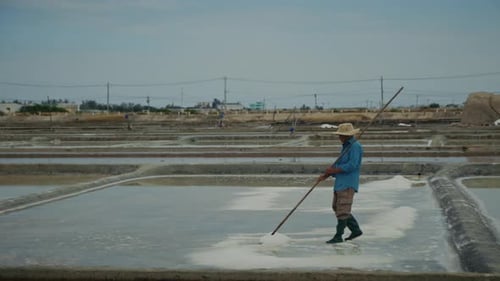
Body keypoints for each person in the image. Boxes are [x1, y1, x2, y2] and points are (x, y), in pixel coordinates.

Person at [318, 123, 363, 244]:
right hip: (340, 182)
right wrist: (327, 174)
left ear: (347, 136)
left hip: (348, 183)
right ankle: (355, 230)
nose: (339, 137)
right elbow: (340, 165)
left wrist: (334, 170)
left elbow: (352, 165)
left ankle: (338, 236)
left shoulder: (355, 146)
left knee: (342, 210)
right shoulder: (346, 146)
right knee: (337, 207)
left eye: (341, 135)